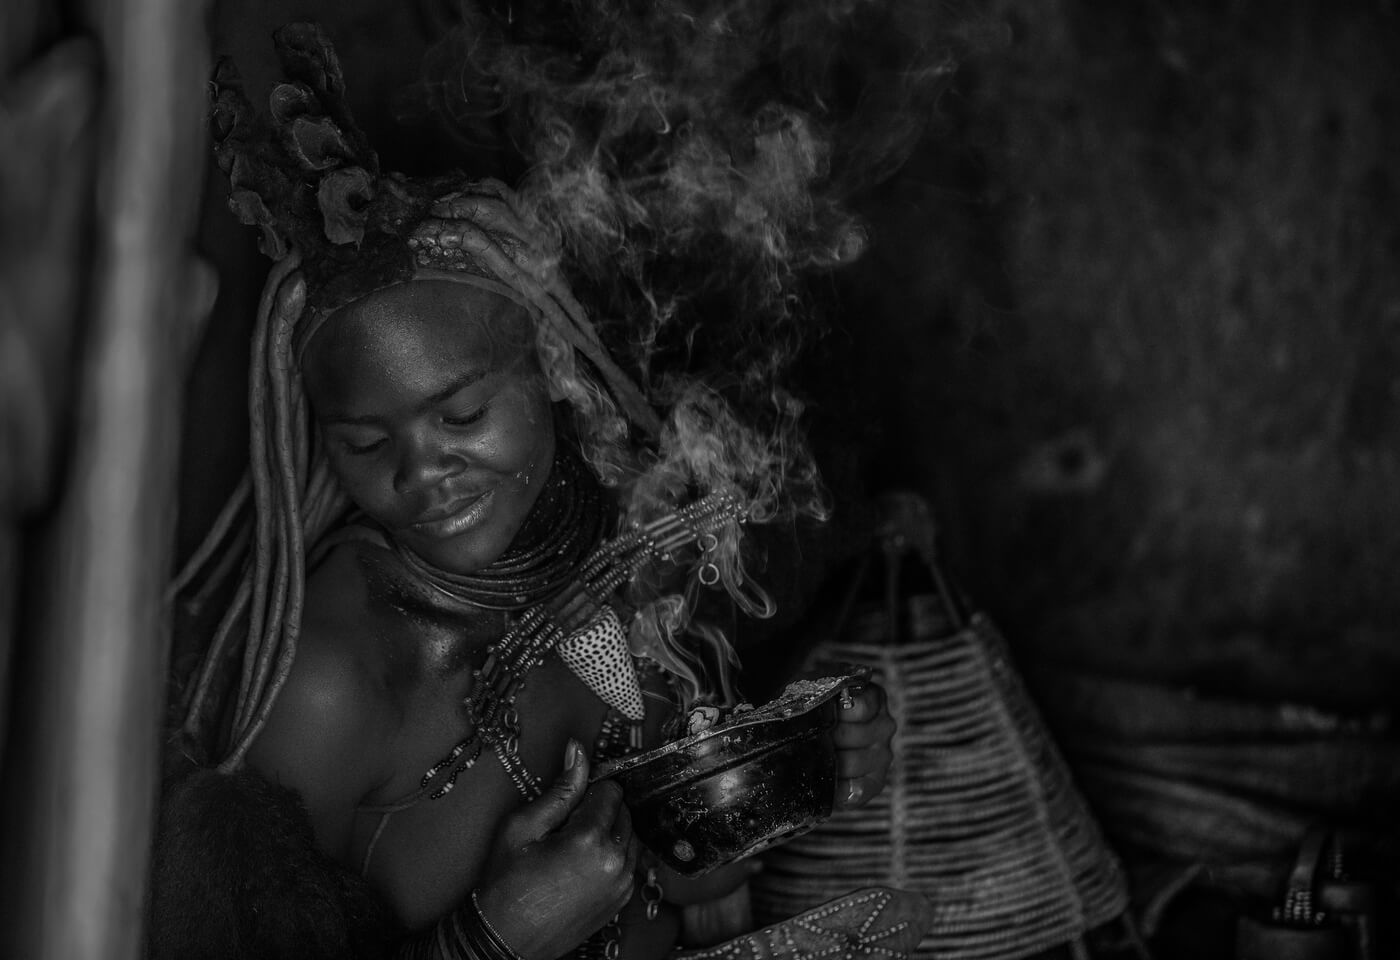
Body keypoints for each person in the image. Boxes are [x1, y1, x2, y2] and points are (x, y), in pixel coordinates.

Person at [152, 23, 910, 960]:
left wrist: (779, 784)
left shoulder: (603, 564)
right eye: (364, 441)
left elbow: (671, 877)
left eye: (463, 417)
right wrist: (489, 938)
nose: (422, 474)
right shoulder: (331, 682)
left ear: (555, 373)